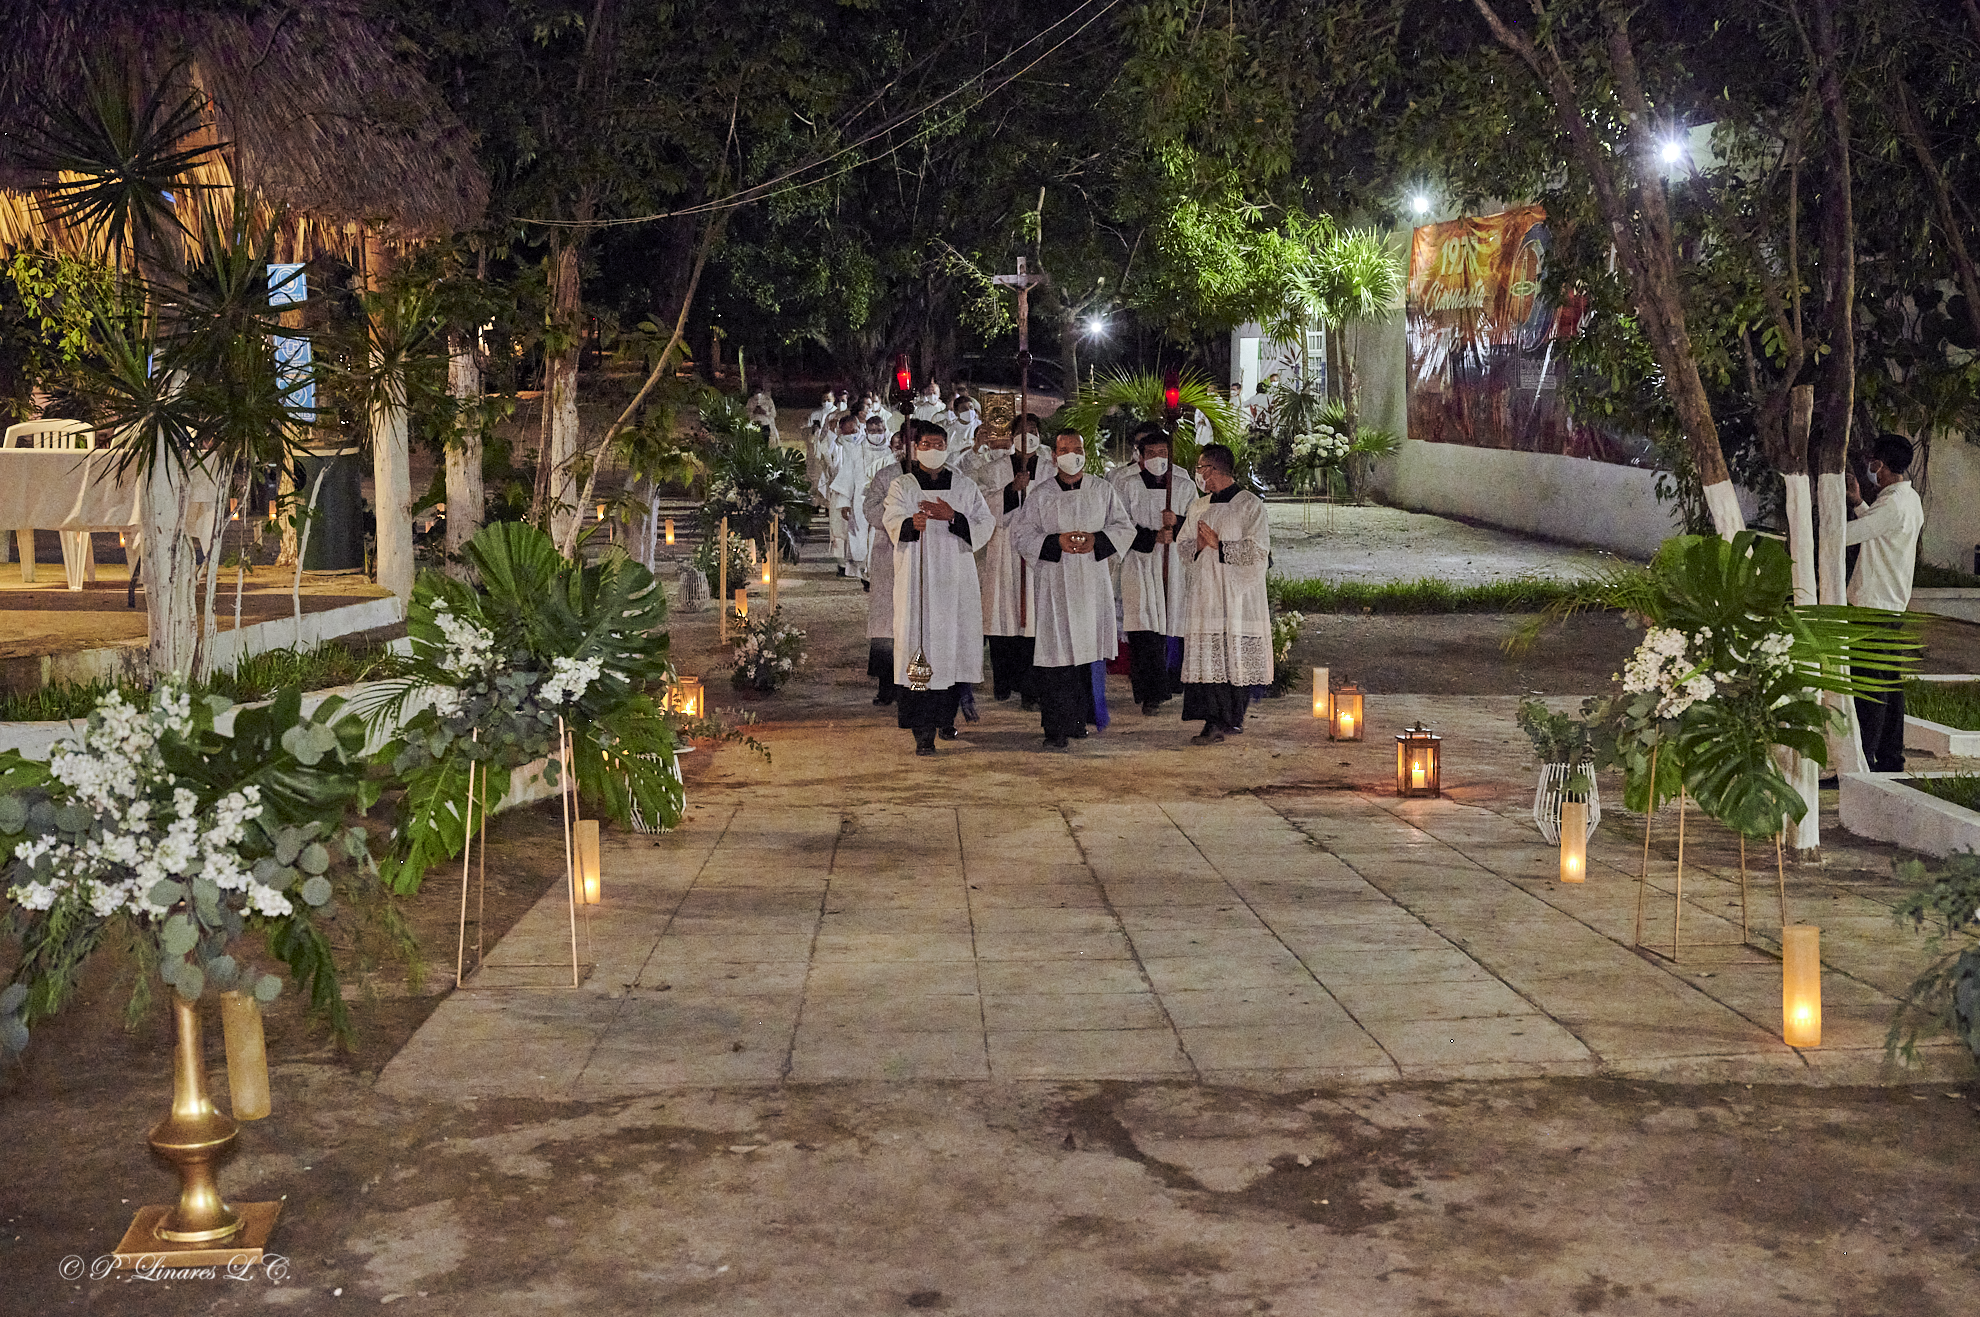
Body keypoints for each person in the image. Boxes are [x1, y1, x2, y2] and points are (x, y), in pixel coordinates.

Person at [1012, 425, 1134, 749]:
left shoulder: (1102, 490)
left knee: (1086, 654)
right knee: (1056, 656)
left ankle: (1079, 721)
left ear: (1085, 454)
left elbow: (1124, 528)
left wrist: (1097, 540)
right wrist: (1056, 542)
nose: (1072, 456)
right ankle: (1055, 728)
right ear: (1054, 457)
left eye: (1077, 450)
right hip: (1055, 584)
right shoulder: (1041, 495)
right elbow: (1021, 535)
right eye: (1064, 451)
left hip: (1092, 584)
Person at [883, 420, 995, 754]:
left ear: (947, 448)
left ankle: (946, 719)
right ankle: (922, 732)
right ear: (915, 448)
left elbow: (985, 522)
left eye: (939, 445)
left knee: (952, 650)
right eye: (927, 445)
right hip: (917, 581)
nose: (934, 450)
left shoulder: (964, 485)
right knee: (919, 648)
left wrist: (953, 517)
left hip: (955, 580)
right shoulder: (902, 486)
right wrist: (910, 523)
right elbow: (892, 519)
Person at [1176, 443, 1272, 745]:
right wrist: (1198, 545)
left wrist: (1220, 545)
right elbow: (1183, 546)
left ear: (1212, 469)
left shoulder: (1249, 505)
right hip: (1206, 592)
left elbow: (1259, 551)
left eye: (1200, 468)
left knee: (1234, 656)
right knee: (1210, 658)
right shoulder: (1199, 506)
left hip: (1236, 595)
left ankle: (1231, 719)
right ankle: (1213, 720)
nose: (1198, 473)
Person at [1846, 433, 1926, 773]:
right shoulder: (1907, 500)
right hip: (1890, 604)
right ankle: (1890, 758)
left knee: (1869, 686)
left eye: (1874, 463)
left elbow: (1849, 535)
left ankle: (1864, 759)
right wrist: (1858, 503)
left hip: (1873, 606)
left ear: (1884, 465)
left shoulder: (1892, 503)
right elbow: (1877, 528)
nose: (1870, 469)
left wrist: (1814, 527)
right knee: (1889, 686)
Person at [1109, 420, 1197, 715]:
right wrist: (1151, 537)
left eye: (1163, 453)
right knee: (1145, 626)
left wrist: (1178, 524)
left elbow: (1197, 522)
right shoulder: (1127, 485)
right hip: (1140, 562)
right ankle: (1150, 693)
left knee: (1173, 622)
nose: (1158, 458)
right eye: (1152, 453)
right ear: (1141, 456)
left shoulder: (1183, 485)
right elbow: (1118, 524)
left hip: (1174, 565)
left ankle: (1174, 680)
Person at [975, 414, 1043, 706]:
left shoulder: (1051, 469)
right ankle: (1003, 681)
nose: (1028, 435)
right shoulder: (993, 470)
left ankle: (1031, 688)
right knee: (1002, 617)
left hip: (1037, 549)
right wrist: (1010, 491)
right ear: (1012, 436)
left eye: (1033, 430)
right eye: (1022, 430)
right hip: (1004, 549)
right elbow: (981, 505)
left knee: (1034, 622)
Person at [862, 427, 912, 704]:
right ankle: (887, 685)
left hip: (921, 554)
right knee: (887, 621)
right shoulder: (886, 475)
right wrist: (898, 518)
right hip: (889, 552)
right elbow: (870, 508)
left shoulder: (937, 478)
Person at [832, 413, 895, 587]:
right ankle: (865, 574)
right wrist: (844, 502)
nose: (876, 434)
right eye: (872, 431)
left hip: (886, 501)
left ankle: (879, 573)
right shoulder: (856, 451)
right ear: (865, 431)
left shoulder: (891, 451)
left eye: (879, 430)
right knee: (861, 538)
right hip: (860, 501)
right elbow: (847, 476)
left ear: (885, 430)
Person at [822, 413, 863, 575]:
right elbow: (828, 460)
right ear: (841, 430)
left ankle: (858, 563)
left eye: (854, 430)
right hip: (840, 492)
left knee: (857, 529)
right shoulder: (837, 445)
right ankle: (841, 563)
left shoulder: (864, 444)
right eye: (847, 431)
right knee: (839, 529)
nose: (852, 435)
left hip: (859, 493)